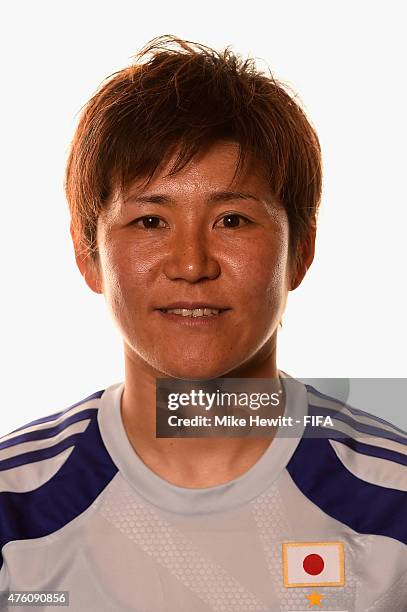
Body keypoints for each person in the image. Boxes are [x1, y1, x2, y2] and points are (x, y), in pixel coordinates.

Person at [0, 35, 406, 612]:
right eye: (149, 221)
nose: (192, 264)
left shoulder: (394, 503)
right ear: (87, 254)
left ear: (302, 250)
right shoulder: (14, 509)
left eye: (232, 219)